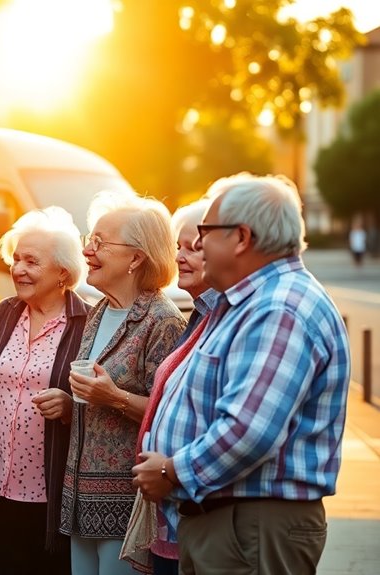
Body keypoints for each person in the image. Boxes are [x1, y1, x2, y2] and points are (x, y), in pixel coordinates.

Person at [134, 174, 351, 575]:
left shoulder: (278, 308)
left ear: (241, 238)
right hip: (232, 522)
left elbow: (249, 430)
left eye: (205, 233)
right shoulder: (249, 302)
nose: (197, 246)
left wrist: (171, 471)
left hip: (249, 525)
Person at [59, 191, 185, 575]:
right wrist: (68, 403)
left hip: (126, 504)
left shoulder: (162, 321)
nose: (87, 252)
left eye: (100, 243)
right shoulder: (98, 312)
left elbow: (170, 417)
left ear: (136, 257)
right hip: (79, 500)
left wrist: (114, 398)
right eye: (88, 240)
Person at [0, 207, 88, 575]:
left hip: (52, 485)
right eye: (16, 259)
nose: (18, 269)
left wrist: (68, 405)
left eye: (32, 261)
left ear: (63, 271)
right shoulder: (4, 313)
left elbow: (96, 399)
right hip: (1, 481)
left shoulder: (85, 322)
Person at [128, 199, 219, 575]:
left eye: (192, 247)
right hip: (172, 512)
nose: (180, 257)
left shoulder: (221, 316)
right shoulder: (200, 312)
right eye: (177, 247)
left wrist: (169, 472)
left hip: (197, 511)